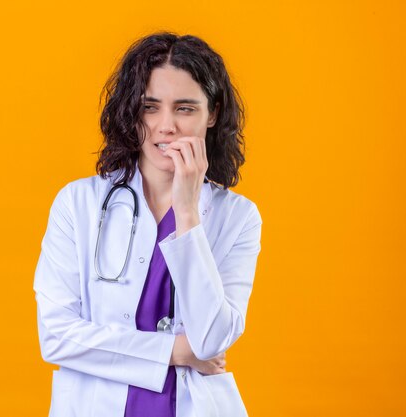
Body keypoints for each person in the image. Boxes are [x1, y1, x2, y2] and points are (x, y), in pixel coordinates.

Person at [33, 31, 262, 417]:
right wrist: (175, 352)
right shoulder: (78, 204)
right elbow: (55, 336)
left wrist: (187, 211)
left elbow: (209, 340)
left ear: (214, 114)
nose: (165, 125)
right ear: (131, 111)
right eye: (150, 107)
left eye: (185, 108)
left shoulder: (237, 217)